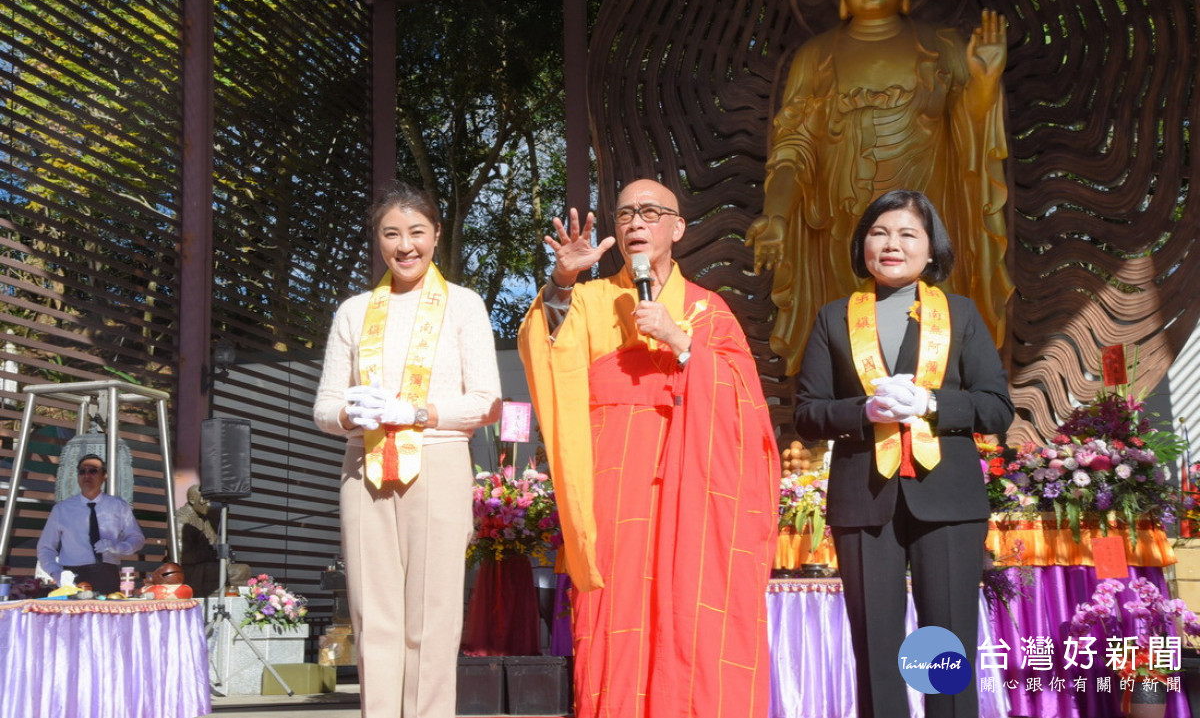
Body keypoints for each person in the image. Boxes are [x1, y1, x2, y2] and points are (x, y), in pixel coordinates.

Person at [518, 178, 780, 718]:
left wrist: (683, 344)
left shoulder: (708, 311)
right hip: (615, 493)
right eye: (625, 214)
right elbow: (547, 351)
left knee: (693, 613)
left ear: (678, 228)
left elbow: (747, 408)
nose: (636, 223)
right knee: (613, 620)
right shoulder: (589, 299)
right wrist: (563, 280)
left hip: (695, 496)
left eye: (651, 212)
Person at [747, 0, 1012, 375]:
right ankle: (842, 422)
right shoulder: (816, 56)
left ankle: (943, 411)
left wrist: (984, 85)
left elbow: (972, 134)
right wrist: (776, 213)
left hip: (926, 212)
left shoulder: (942, 46)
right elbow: (793, 146)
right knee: (846, 318)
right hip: (841, 220)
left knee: (931, 317)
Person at [793, 189, 1014, 718]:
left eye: (907, 233)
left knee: (944, 644)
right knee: (876, 646)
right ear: (862, 244)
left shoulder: (960, 315)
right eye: (879, 232)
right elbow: (807, 413)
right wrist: (862, 413)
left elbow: (996, 408)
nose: (892, 244)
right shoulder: (833, 319)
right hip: (864, 500)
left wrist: (933, 402)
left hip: (949, 503)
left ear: (931, 249)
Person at [313, 183, 501, 718]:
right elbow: (324, 406)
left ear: (436, 236)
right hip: (364, 466)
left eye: (416, 232)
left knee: (433, 612)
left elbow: (486, 401)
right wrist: (353, 414)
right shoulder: (354, 312)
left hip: (436, 461)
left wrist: (420, 413)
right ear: (378, 242)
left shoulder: (463, 305)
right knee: (373, 613)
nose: (405, 245)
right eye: (391, 234)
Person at [36, 453, 145, 594]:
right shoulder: (62, 509)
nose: (87, 475)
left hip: (107, 573)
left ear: (104, 475)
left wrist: (118, 547)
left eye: (93, 471)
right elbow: (45, 548)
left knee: (109, 614)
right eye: (82, 471)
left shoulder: (118, 506)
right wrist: (57, 573)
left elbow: (137, 538)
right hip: (72, 575)